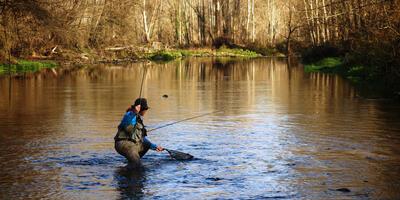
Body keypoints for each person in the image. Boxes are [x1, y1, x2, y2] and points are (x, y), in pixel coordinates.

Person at [114, 98, 163, 168]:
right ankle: (133, 164)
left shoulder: (138, 118)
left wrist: (155, 147)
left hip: (132, 144)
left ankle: (132, 161)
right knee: (137, 165)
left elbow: (143, 139)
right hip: (123, 144)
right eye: (146, 109)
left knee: (146, 145)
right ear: (142, 109)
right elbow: (127, 120)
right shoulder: (129, 114)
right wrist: (134, 112)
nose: (146, 111)